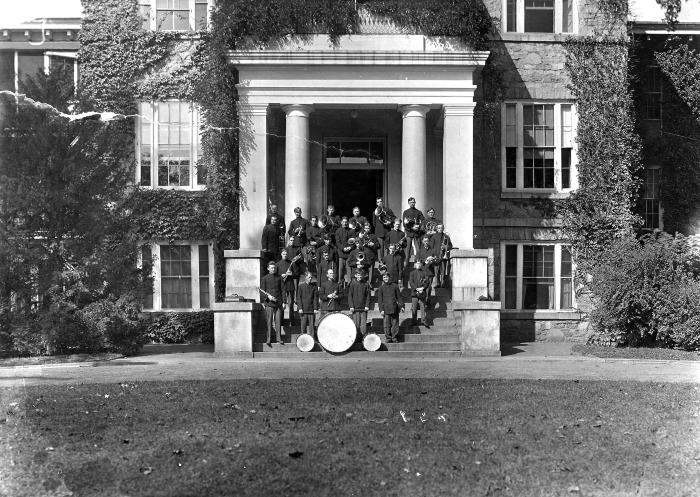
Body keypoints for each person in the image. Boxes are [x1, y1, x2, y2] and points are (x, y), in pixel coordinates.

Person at [260, 261, 285, 346]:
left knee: (278, 322)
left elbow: (283, 290)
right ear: (268, 269)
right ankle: (269, 339)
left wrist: (284, 302)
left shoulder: (279, 278)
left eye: (274, 268)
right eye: (271, 268)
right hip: (269, 303)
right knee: (269, 322)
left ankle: (279, 339)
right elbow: (262, 292)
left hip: (278, 303)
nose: (273, 269)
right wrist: (268, 297)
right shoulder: (264, 278)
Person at [377, 272, 404, 343]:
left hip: (394, 308)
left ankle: (394, 337)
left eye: (387, 277)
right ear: (383, 279)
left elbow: (399, 297)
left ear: (389, 277)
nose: (386, 279)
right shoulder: (381, 288)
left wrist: (402, 306)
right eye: (384, 277)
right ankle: (388, 337)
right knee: (387, 324)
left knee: (395, 324)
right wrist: (381, 310)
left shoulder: (395, 286)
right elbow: (380, 301)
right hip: (386, 309)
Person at [275, 248, 298, 325]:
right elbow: (275, 276)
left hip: (290, 286)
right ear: (281, 254)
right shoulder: (277, 264)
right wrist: (281, 276)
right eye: (283, 254)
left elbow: (296, 274)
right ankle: (281, 321)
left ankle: (292, 321)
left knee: (291, 304)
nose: (285, 255)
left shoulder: (291, 263)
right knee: (282, 304)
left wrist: (291, 274)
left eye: (286, 254)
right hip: (281, 287)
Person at [402, 197, 425, 268]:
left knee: (418, 249)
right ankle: (406, 264)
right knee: (407, 249)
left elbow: (423, 221)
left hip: (417, 233)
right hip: (409, 233)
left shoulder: (419, 212)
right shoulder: (406, 212)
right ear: (408, 203)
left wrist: (418, 227)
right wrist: (412, 228)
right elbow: (404, 224)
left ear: (415, 203)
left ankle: (417, 262)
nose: (412, 203)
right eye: (411, 202)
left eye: (413, 202)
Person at [409, 259, 432, 327]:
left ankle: (423, 320)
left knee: (423, 307)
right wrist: (416, 288)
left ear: (421, 265)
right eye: (417, 263)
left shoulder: (424, 272)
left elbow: (427, 282)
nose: (418, 264)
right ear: (415, 264)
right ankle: (414, 321)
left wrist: (423, 288)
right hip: (414, 292)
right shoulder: (412, 273)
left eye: (419, 263)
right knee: (414, 308)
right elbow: (411, 282)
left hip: (422, 292)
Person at [348, 270, 371, 337]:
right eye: (358, 275)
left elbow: (368, 296)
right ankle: (356, 338)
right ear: (355, 276)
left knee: (363, 325)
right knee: (356, 324)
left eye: (361, 275)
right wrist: (351, 306)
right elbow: (350, 296)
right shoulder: (352, 284)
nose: (359, 276)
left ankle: (363, 338)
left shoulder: (366, 284)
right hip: (355, 308)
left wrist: (367, 305)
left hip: (363, 308)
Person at [430, 224, 452, 288]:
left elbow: (450, 246)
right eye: (439, 228)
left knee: (443, 270)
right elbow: (431, 247)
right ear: (437, 229)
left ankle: (443, 283)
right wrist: (433, 255)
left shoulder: (446, 236)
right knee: (436, 271)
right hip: (436, 256)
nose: (440, 229)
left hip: (443, 256)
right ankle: (437, 283)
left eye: (441, 228)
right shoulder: (433, 236)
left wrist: (446, 247)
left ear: (443, 228)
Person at [335, 217, 354, 286]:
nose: (345, 223)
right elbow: (338, 242)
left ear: (348, 222)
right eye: (343, 222)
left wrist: (350, 247)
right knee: (341, 269)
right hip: (341, 253)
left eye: (346, 222)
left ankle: (349, 283)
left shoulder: (351, 231)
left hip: (349, 253)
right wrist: (343, 248)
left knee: (349, 269)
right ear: (341, 222)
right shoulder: (338, 231)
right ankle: (340, 282)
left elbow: (353, 242)